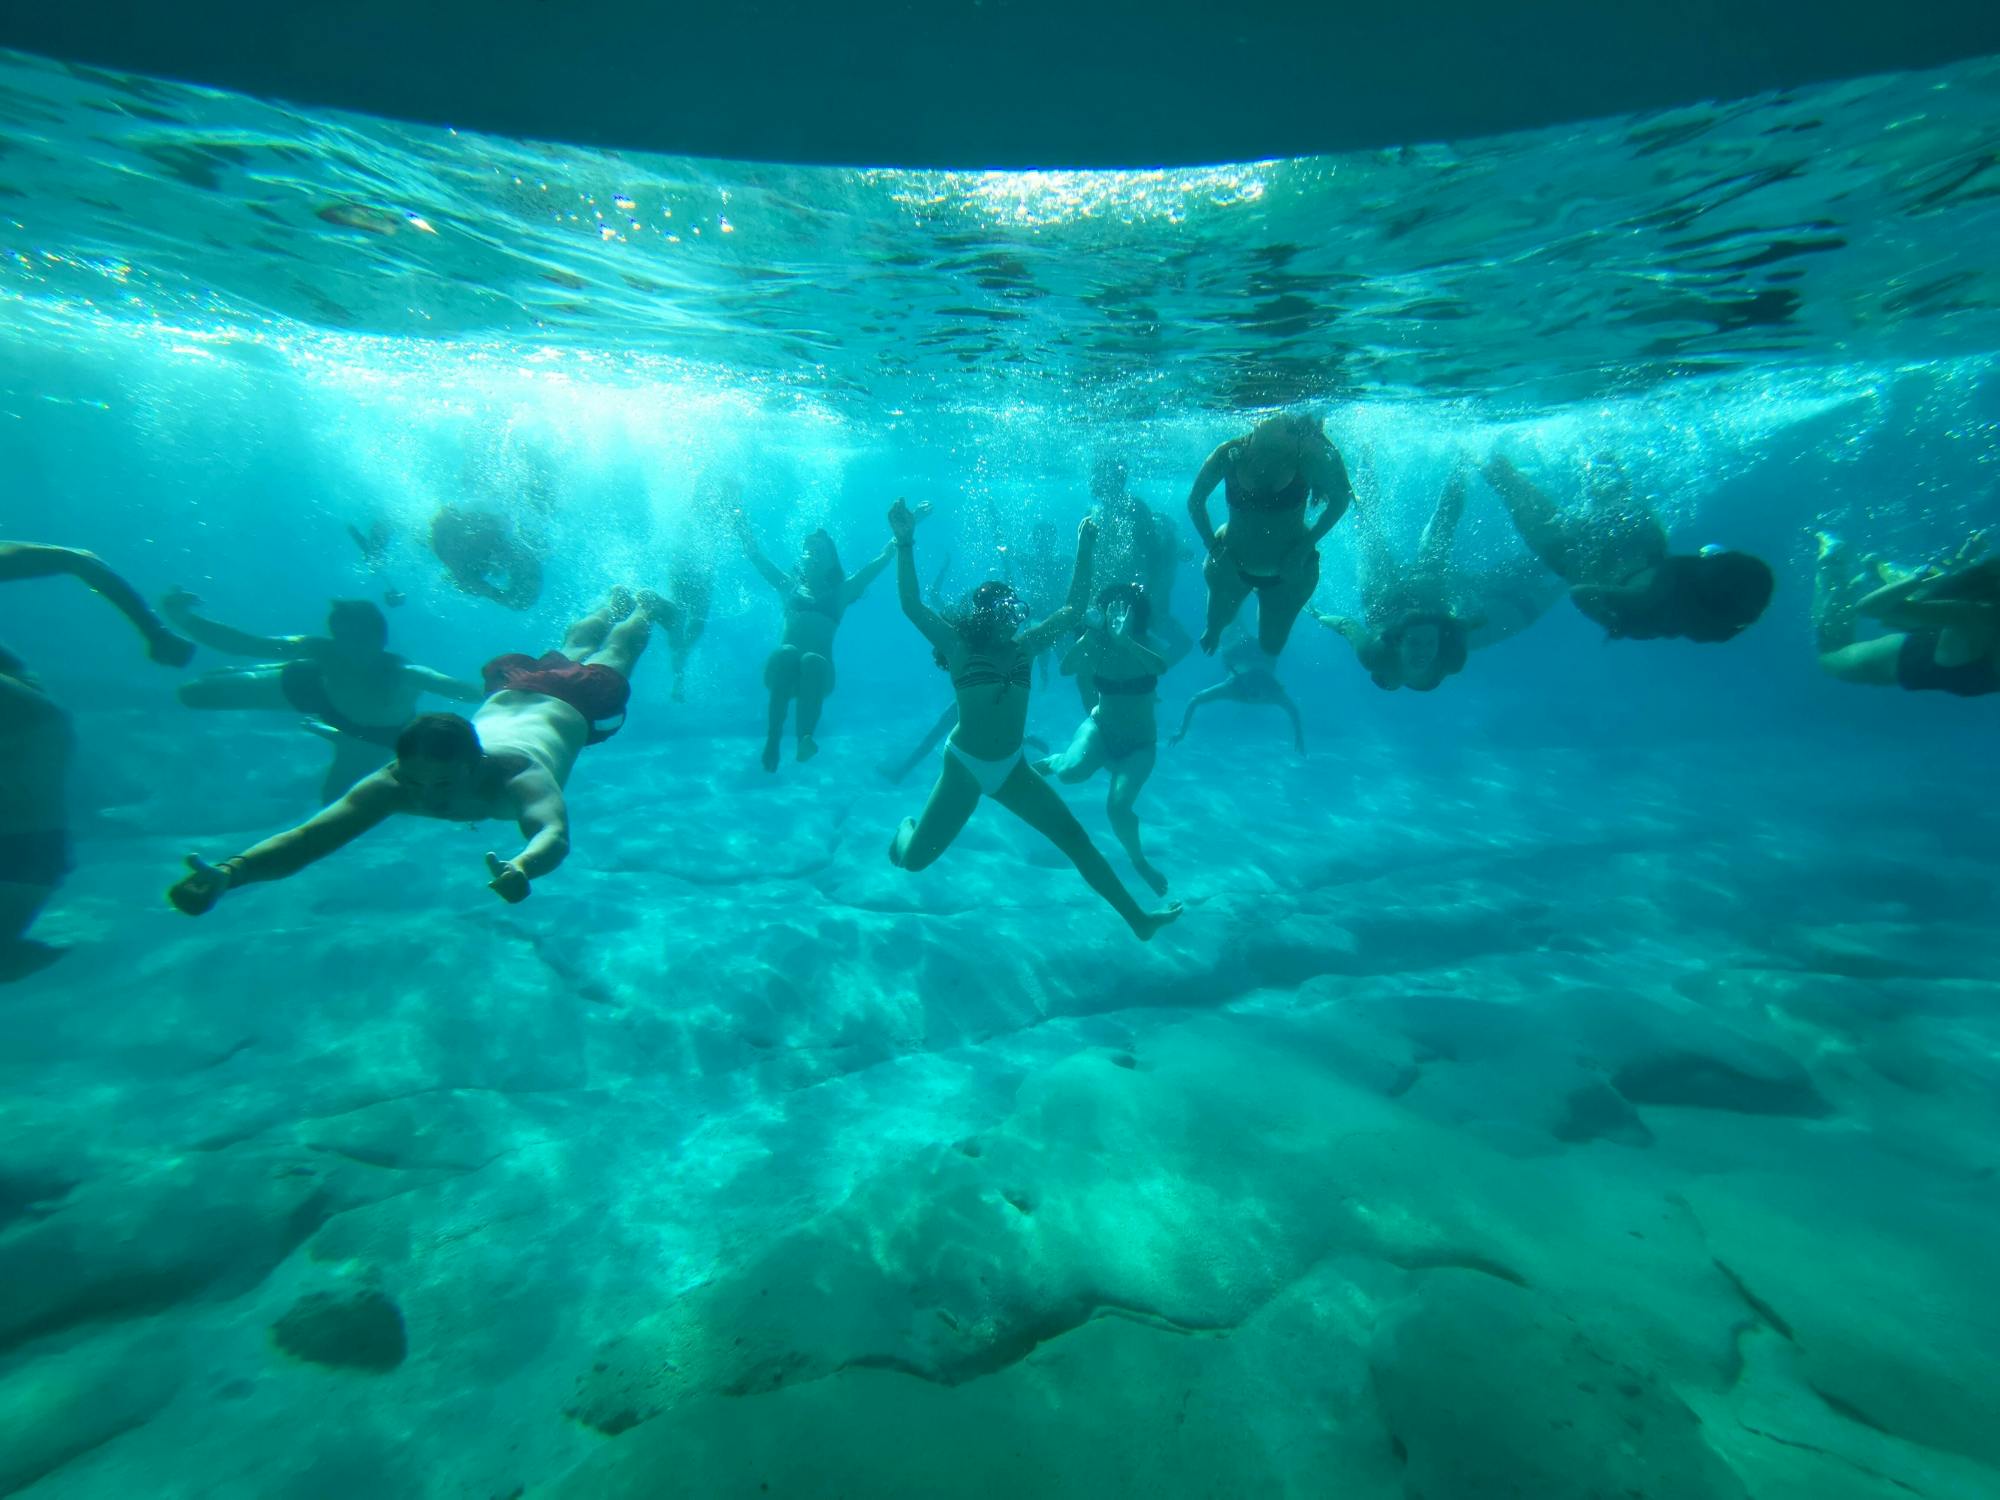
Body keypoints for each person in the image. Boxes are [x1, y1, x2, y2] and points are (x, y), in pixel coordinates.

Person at [167, 590, 664, 915]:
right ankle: (608, 603)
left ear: (475, 765)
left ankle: (642, 608)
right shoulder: (399, 782)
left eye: (443, 785)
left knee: (615, 652)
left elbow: (552, 834)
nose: (426, 798)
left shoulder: (518, 776)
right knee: (571, 648)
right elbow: (308, 839)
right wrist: (232, 873)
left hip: (571, 703)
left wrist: (524, 866)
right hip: (516, 692)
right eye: (416, 781)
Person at [885, 500, 1181, 941]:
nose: (1015, 617)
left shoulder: (1025, 647)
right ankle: (906, 830)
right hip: (965, 768)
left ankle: (1138, 920)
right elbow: (911, 605)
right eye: (1004, 610)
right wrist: (906, 541)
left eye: (1014, 609)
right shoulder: (959, 648)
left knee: (1076, 839)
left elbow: (1073, 609)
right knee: (912, 860)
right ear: (985, 616)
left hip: (1011, 769)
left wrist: (1085, 545)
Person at [1, 543, 193, 966]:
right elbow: (79, 560)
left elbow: (79, 560)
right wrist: (154, 631)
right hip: (32, 755)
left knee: (39, 737)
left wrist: (155, 630)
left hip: (31, 746)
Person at [164, 591, 483, 802]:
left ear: (380, 640)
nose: (350, 648)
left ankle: (339, 737)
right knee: (192, 694)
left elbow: (457, 688)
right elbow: (248, 644)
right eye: (342, 638)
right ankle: (274, 671)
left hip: (375, 737)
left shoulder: (401, 672)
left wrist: (520, 683)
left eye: (360, 639)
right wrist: (184, 619)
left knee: (332, 802)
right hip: (317, 693)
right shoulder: (321, 650)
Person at [1480, 452, 1773, 643]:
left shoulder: (1696, 591)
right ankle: (1481, 452)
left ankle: (1595, 430)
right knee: (1507, 483)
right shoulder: (1660, 597)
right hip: (1584, 552)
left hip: (1639, 533)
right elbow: (1581, 593)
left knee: (1602, 470)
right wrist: (1614, 618)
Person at [1314, 470, 1560, 691]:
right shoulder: (1452, 658)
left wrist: (1316, 614)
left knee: (1370, 531)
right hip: (1428, 595)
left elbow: (1346, 625)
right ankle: (1462, 464)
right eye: (1420, 643)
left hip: (1383, 597)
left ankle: (1457, 462)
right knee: (1441, 534)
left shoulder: (1372, 655)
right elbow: (1470, 623)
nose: (1423, 652)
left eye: (1423, 642)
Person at [738, 512, 908, 771]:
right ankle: (772, 740)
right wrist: (739, 523)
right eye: (809, 549)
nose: (813, 554)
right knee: (787, 653)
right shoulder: (788, 585)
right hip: (782, 673)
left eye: (820, 551)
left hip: (818, 678)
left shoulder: (842, 592)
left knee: (811, 660)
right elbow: (755, 556)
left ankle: (805, 738)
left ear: (832, 562)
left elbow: (882, 559)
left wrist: (902, 531)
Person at [1035, 582, 1171, 894]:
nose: (1117, 617)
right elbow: (1066, 668)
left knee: (1118, 808)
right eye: (1111, 611)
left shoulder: (1148, 643)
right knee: (1069, 774)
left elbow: (1160, 666)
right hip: (1100, 729)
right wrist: (1091, 635)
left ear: (1137, 615)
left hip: (1139, 745)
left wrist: (1126, 642)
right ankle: (1057, 760)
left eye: (1124, 611)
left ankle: (1140, 863)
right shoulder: (1096, 643)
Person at [1187, 413, 1356, 657]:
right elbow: (1195, 501)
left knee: (1271, 647)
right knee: (1214, 630)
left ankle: (1263, 597)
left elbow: (1341, 500)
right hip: (1230, 565)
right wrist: (1214, 548)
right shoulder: (1231, 453)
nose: (1284, 419)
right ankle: (1219, 626)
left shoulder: (1310, 455)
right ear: (1255, 419)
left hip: (1292, 572)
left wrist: (1302, 549)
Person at [1813, 531, 1998, 696]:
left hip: (1941, 641)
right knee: (1829, 656)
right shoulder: (1975, 616)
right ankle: (1832, 564)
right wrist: (1917, 580)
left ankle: (1874, 572)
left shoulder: (1975, 614)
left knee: (1925, 599)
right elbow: (1869, 609)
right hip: (1899, 658)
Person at [1086, 454, 1194, 688]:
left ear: (1116, 479)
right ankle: (1130, 683)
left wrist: (1153, 598)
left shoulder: (1134, 508)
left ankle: (1141, 679)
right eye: (1096, 477)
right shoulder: (1098, 511)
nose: (1095, 482)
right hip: (1109, 598)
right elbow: (1095, 562)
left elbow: (1152, 557)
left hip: (1133, 597)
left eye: (1100, 477)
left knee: (1182, 643)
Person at [1171, 631, 1306, 754]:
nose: (1254, 696)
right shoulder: (1233, 686)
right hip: (1242, 659)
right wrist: (1181, 732)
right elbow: (1195, 699)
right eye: (1253, 691)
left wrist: (1299, 737)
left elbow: (1293, 710)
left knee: (1247, 642)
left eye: (1257, 692)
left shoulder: (1271, 691)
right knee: (1235, 637)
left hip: (1251, 661)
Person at [430, 504, 544, 610]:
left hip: (497, 534)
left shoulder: (486, 528)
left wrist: (492, 593)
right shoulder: (459, 565)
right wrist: (490, 592)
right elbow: (521, 601)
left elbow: (523, 600)